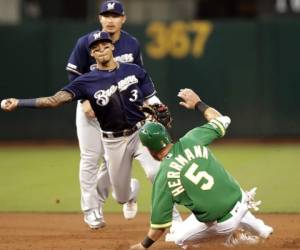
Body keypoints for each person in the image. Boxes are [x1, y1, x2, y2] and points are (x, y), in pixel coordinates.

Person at [1, 31, 179, 232]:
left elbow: (152, 99)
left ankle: (175, 223)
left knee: (156, 172)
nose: (101, 50)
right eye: (96, 48)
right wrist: (19, 103)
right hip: (113, 142)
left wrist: (160, 107)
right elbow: (54, 100)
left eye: (105, 45)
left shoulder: (134, 71)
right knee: (120, 197)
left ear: (112, 47)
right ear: (91, 54)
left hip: (141, 133)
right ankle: (131, 191)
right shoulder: (85, 82)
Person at [130, 88, 273, 249]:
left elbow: (158, 227)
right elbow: (221, 119)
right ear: (167, 136)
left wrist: (143, 246)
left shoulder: (163, 176)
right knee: (223, 199)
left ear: (150, 150)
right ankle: (261, 228)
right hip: (240, 198)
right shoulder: (192, 138)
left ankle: (234, 236)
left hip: (224, 224)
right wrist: (198, 103)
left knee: (177, 238)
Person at [65, 0, 145, 229]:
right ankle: (91, 211)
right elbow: (73, 73)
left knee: (113, 161)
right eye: (106, 15)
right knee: (90, 159)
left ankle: (128, 192)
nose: (110, 20)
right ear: (100, 18)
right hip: (90, 108)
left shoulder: (132, 44)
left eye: (115, 15)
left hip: (121, 111)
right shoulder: (86, 43)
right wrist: (83, 100)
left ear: (123, 19)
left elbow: (139, 76)